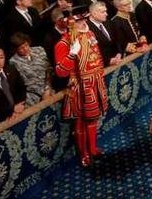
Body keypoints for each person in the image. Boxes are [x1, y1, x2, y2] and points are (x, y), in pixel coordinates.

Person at [54, 10, 109, 167]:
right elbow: (60, 72)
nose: (83, 23)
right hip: (79, 86)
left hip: (95, 82)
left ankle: (93, 149)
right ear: (70, 25)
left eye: (84, 20)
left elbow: (97, 56)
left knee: (93, 119)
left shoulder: (90, 33)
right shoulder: (63, 43)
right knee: (80, 122)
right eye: (79, 22)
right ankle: (84, 153)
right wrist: (72, 54)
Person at [8, 32, 52, 106]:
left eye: (26, 45)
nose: (25, 49)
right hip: (31, 95)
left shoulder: (39, 50)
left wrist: (47, 88)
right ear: (16, 49)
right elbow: (23, 82)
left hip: (49, 88)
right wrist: (41, 93)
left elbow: (49, 70)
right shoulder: (13, 62)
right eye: (21, 48)